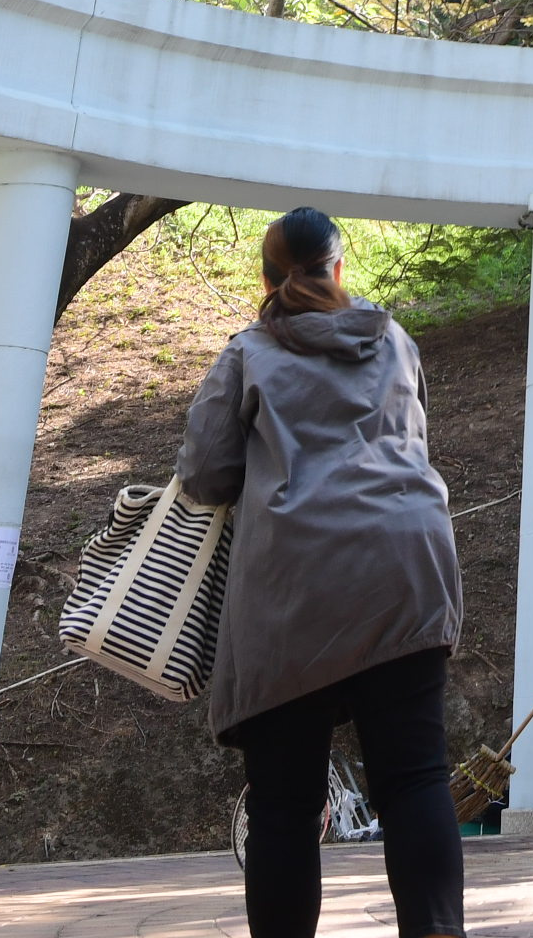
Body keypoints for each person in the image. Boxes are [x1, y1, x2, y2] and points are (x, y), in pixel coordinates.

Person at [184, 207, 469, 938]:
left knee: (284, 804)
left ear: (266, 280)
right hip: (406, 567)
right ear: (340, 268)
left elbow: (205, 475)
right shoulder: (394, 341)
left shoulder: (248, 354)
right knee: (415, 780)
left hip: (294, 588)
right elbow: (413, 436)